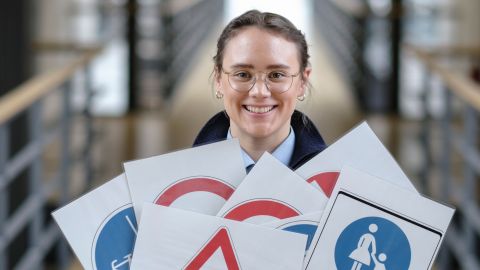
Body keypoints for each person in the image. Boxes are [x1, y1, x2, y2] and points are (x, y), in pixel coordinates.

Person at [193, 10, 327, 171]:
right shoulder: (177, 182)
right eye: (243, 74)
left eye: (276, 75)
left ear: (303, 81)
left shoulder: (340, 184)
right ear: (218, 79)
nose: (259, 92)